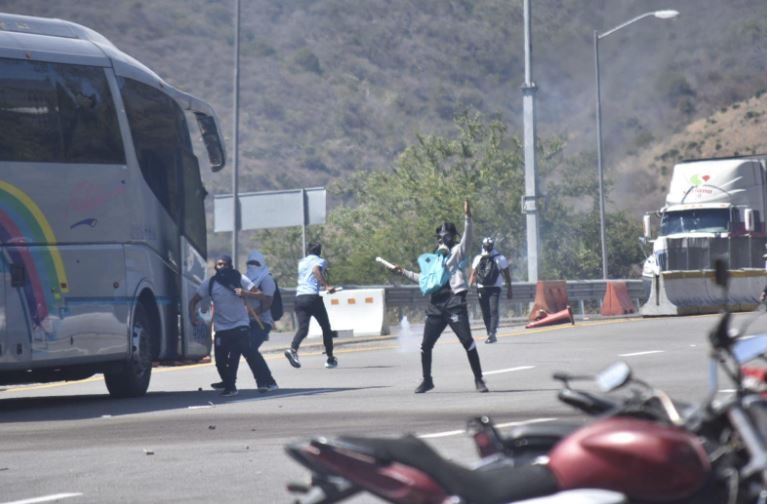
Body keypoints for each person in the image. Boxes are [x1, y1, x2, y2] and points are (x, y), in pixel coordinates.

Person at [389, 199, 488, 394]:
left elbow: (468, 236)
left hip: (454, 301)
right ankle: (427, 380)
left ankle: (479, 379)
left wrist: (468, 218)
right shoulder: (433, 259)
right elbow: (424, 279)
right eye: (440, 237)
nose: (442, 240)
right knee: (426, 345)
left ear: (452, 237)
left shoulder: (458, 253)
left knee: (467, 341)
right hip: (436, 303)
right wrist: (403, 272)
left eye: (446, 236)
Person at [189, 254, 255, 397]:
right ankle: (228, 383)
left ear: (230, 266)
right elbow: (194, 300)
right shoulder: (211, 283)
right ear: (215, 267)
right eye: (219, 264)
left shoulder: (239, 278)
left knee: (234, 358)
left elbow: (256, 292)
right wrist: (193, 317)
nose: (222, 267)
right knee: (220, 362)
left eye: (225, 264)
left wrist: (245, 292)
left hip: (240, 325)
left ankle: (231, 387)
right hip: (222, 328)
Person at [284, 242, 339, 369]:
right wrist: (327, 286)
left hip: (299, 297)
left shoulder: (302, 262)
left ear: (308, 251)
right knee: (326, 327)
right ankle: (330, 358)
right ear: (320, 251)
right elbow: (315, 270)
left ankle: (292, 350)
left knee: (303, 329)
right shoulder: (320, 261)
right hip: (312, 297)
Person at [241, 250, 279, 392]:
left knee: (251, 349)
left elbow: (268, 301)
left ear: (261, 264)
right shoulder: (244, 279)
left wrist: (253, 312)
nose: (252, 266)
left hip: (262, 321)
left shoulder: (266, 279)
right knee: (248, 351)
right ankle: (262, 382)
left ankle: (269, 381)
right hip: (246, 322)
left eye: (255, 263)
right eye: (250, 263)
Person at [469, 237, 512, 344]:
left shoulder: (479, 258)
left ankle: (491, 333)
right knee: (490, 311)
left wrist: (469, 286)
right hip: (491, 288)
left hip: (485, 288)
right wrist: (509, 288)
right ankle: (491, 333)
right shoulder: (499, 258)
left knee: (490, 311)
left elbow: (473, 275)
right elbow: (507, 275)